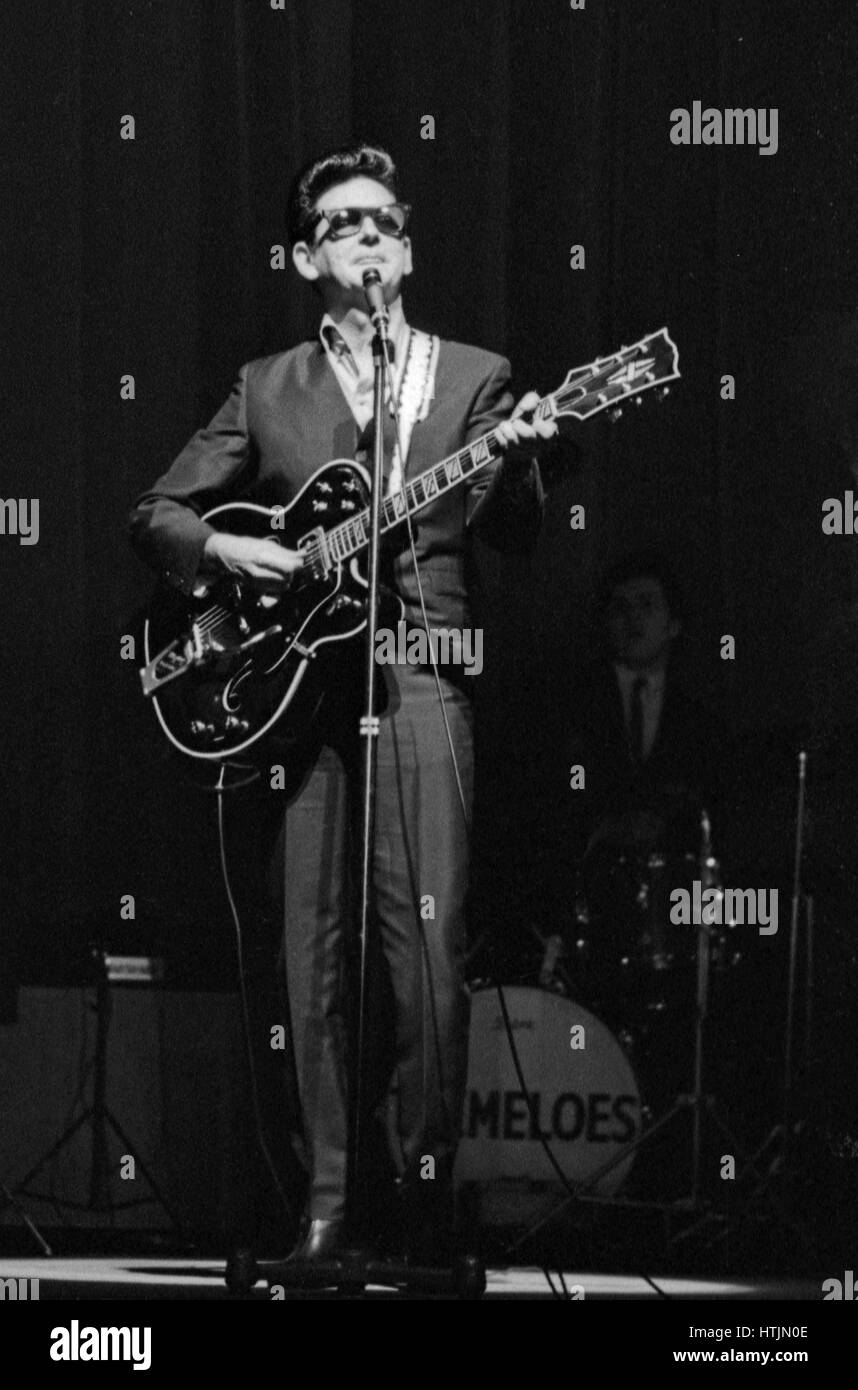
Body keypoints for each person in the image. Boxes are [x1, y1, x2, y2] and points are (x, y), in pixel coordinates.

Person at [129, 142, 557, 1262]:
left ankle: (419, 1203)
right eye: (343, 223)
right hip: (294, 693)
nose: (368, 236)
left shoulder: (470, 375)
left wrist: (515, 460)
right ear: (310, 254)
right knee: (306, 956)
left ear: (405, 246)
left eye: (384, 220)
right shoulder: (268, 386)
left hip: (419, 674)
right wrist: (229, 545)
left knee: (427, 960)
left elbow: (511, 531)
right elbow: (159, 515)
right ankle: (322, 1208)